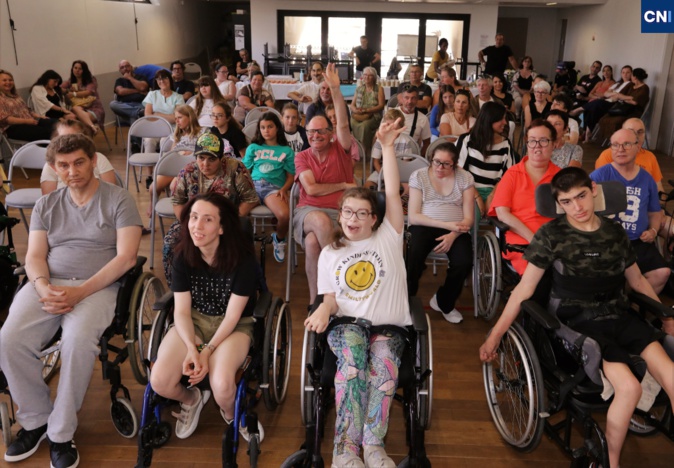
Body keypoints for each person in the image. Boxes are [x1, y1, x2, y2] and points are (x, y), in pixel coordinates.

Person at [479, 166, 674, 468]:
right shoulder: (552, 235)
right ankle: (611, 463)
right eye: (567, 201)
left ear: (593, 191)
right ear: (558, 203)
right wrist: (495, 335)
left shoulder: (614, 232)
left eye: (581, 196)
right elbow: (523, 290)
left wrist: (666, 315)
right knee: (629, 388)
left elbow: (637, 281)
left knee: (672, 376)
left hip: (618, 314)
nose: (577, 207)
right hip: (579, 321)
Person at [0, 133, 142, 468]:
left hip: (99, 287)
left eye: (79, 162)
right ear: (54, 168)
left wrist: (81, 291)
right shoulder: (47, 204)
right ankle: (35, 420)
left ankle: (61, 433)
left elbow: (126, 257)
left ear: (93, 161)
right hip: (49, 283)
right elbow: (35, 255)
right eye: (63, 165)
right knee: (9, 339)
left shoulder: (118, 199)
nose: (72, 171)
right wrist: (42, 286)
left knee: (77, 342)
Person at [304, 116, 411, 468]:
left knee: (383, 371)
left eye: (362, 213)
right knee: (352, 366)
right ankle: (345, 451)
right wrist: (324, 307)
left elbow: (391, 192)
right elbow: (330, 297)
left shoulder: (389, 237)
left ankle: (374, 446)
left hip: (388, 328)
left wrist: (388, 146)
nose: (353, 219)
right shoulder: (331, 253)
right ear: (340, 214)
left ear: (374, 219)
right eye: (347, 212)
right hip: (348, 324)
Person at [150, 192, 262, 441]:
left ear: (222, 228)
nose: (197, 226)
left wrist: (207, 351)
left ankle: (232, 414)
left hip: (234, 326)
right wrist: (192, 348)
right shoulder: (182, 256)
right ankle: (191, 398)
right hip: (195, 320)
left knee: (221, 385)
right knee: (159, 380)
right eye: (193, 217)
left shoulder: (243, 261)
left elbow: (232, 316)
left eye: (207, 219)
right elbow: (181, 311)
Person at [293, 63, 357, 305]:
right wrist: (343, 185)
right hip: (308, 212)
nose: (315, 136)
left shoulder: (341, 148)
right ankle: (341, 288)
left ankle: (316, 303)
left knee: (312, 243)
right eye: (311, 132)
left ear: (331, 133)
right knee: (319, 222)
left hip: (341, 213)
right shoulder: (302, 156)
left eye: (321, 132)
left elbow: (343, 124)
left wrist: (336, 90)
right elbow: (310, 189)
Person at [162, 131, 259, 283]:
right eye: (201, 158)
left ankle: (227, 286)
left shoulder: (235, 169)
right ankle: (179, 286)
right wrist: (187, 224)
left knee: (231, 245)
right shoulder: (188, 172)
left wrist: (232, 220)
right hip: (195, 221)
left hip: (226, 221)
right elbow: (178, 201)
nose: (205, 164)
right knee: (170, 243)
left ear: (221, 158)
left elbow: (251, 199)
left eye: (211, 159)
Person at [589, 128, 669, 294]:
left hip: (637, 241)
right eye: (615, 145)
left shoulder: (647, 179)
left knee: (662, 273)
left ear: (638, 147)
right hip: (607, 242)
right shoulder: (599, 176)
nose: (620, 149)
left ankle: (633, 304)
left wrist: (653, 231)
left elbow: (654, 212)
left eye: (626, 144)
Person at [406, 141, 475, 324]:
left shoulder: (465, 178)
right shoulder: (419, 176)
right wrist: (446, 225)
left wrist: (453, 234)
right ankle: (407, 302)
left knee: (464, 262)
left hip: (457, 230)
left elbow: (469, 218)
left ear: (455, 164)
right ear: (431, 159)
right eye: (436, 162)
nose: (439, 167)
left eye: (446, 164)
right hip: (424, 225)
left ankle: (444, 301)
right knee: (412, 255)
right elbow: (413, 216)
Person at [487, 120, 561, 275]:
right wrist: (534, 239)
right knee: (539, 274)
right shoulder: (512, 174)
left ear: (554, 144)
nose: (537, 146)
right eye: (532, 141)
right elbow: (502, 213)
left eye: (543, 141)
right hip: (521, 241)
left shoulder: (561, 177)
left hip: (555, 240)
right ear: (527, 144)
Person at [595, 118, 674, 253]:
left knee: (672, 230)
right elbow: (602, 191)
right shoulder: (610, 155)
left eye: (640, 132)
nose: (636, 135)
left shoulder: (650, 157)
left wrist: (659, 209)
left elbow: (658, 188)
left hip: (647, 206)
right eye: (631, 131)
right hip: (621, 213)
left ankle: (666, 259)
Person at [243, 112, 295, 263]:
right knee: (237, 214)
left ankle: (279, 239)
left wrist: (284, 189)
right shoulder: (253, 148)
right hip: (253, 186)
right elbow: (244, 171)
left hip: (273, 189)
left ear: (277, 128)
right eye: (263, 127)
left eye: (270, 126)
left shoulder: (286, 151)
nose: (266, 130)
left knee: (284, 216)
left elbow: (291, 176)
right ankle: (243, 246)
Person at [457, 101, 517, 216]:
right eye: (501, 119)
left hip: (496, 191)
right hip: (469, 189)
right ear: (490, 120)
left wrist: (492, 195)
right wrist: (477, 197)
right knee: (472, 215)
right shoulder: (466, 140)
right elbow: (459, 171)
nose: (505, 122)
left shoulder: (505, 144)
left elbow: (509, 175)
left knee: (503, 215)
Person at [40, 119, 116, 195]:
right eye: (63, 138)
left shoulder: (99, 158)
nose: (68, 142)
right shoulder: (51, 165)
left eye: (79, 163)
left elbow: (111, 193)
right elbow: (49, 198)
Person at [596, 68, 650, 142]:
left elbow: (634, 102)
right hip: (622, 108)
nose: (631, 77)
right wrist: (628, 98)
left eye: (631, 75)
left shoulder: (644, 88)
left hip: (633, 111)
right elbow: (618, 95)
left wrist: (622, 97)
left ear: (635, 77)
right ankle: (609, 140)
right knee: (604, 118)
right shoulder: (631, 85)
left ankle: (617, 141)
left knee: (616, 121)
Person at [581, 65, 632, 142]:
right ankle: (587, 134)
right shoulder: (618, 84)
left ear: (631, 74)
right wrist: (614, 94)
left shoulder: (630, 85)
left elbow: (619, 97)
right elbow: (606, 93)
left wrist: (614, 94)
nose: (625, 74)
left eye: (628, 72)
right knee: (592, 108)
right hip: (606, 101)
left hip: (614, 105)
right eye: (623, 72)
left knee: (595, 104)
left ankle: (580, 110)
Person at [0, 69, 55, 141]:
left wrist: (40, 116)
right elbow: (6, 119)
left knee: (57, 125)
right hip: (14, 127)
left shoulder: (15, 96)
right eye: (4, 80)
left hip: (30, 121)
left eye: (10, 80)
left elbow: (28, 110)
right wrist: (27, 121)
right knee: (49, 133)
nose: (8, 82)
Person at [61, 60, 106, 135]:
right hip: (79, 108)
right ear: (72, 69)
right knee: (73, 113)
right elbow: (60, 88)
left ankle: (87, 135)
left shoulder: (91, 79)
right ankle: (92, 127)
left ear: (84, 70)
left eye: (80, 69)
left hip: (93, 108)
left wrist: (73, 94)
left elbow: (88, 92)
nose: (77, 70)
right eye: (75, 68)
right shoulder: (70, 80)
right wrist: (68, 90)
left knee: (81, 121)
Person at [349, 66, 385, 157]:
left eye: (370, 75)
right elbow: (352, 104)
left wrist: (367, 110)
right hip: (359, 114)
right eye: (365, 75)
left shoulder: (379, 89)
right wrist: (355, 110)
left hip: (374, 115)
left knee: (365, 125)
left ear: (374, 77)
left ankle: (365, 149)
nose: (367, 77)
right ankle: (357, 147)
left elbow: (381, 106)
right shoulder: (359, 89)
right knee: (352, 121)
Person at [109, 60, 150, 132]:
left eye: (127, 66)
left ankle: (135, 141)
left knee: (133, 117)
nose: (125, 68)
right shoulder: (119, 80)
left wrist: (130, 78)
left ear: (131, 67)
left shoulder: (141, 77)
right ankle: (137, 112)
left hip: (141, 104)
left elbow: (142, 87)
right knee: (112, 104)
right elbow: (120, 91)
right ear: (120, 71)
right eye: (122, 67)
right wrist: (138, 91)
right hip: (125, 105)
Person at [395, 84, 431, 155]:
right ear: (402, 99)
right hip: (391, 155)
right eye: (406, 98)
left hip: (411, 156)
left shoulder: (423, 119)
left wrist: (419, 159)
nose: (410, 101)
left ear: (417, 99)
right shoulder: (391, 114)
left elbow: (427, 143)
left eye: (413, 98)